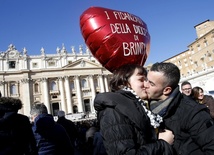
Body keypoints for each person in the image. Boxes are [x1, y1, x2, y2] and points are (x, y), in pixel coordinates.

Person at [94, 64, 174, 155]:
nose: (147, 84)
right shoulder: (113, 111)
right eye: (141, 80)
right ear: (125, 82)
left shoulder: (138, 106)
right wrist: (163, 144)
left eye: (146, 80)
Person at [144, 62, 214, 154]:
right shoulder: (145, 108)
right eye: (146, 80)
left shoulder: (193, 112)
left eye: (151, 84)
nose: (145, 85)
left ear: (167, 90)